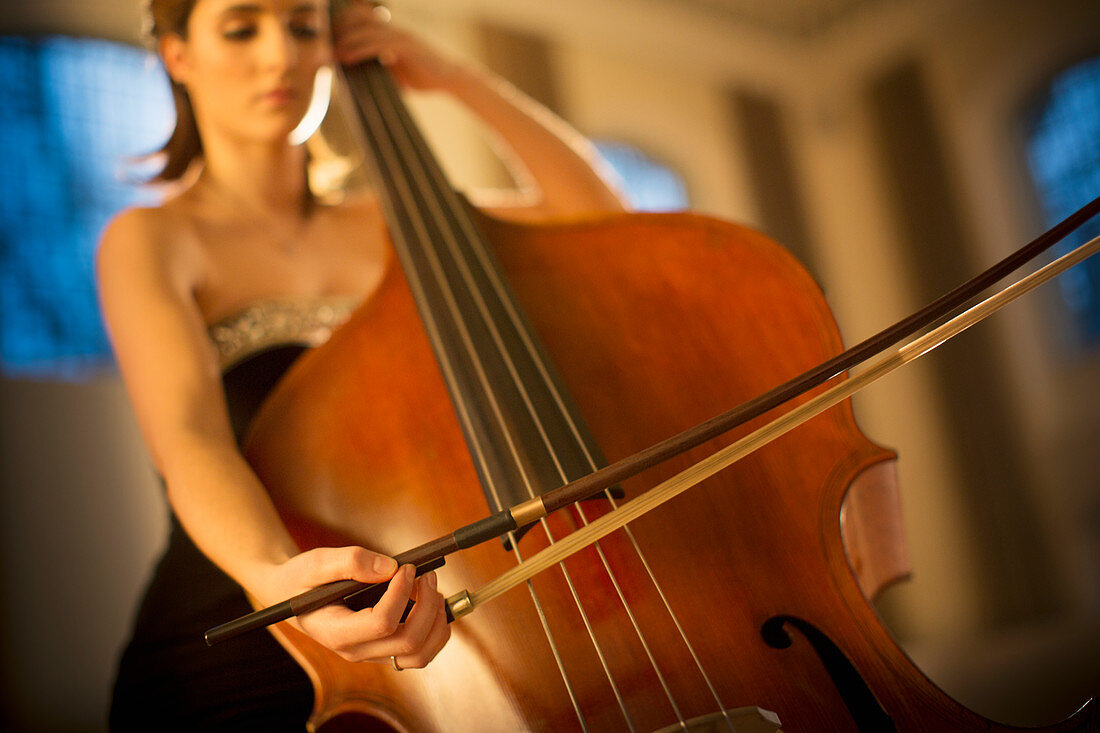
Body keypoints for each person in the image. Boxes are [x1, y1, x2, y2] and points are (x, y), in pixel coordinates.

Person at [98, 0, 625, 728]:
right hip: (231, 638)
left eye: (304, 25)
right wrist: (277, 584)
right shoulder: (152, 239)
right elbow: (190, 440)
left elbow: (596, 215)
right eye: (242, 26)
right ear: (179, 54)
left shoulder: (397, 220)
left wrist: (452, 76)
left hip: (413, 640)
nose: (280, 55)